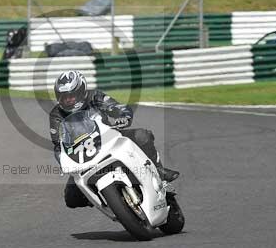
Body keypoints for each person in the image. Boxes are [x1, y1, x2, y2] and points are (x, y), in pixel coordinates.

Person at [49, 70, 180, 209]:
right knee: (71, 200)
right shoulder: (56, 114)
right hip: (83, 157)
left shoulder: (95, 96)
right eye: (63, 97)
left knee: (142, 136)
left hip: (108, 139)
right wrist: (65, 162)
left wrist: (122, 115)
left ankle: (159, 171)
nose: (67, 100)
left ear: (81, 92)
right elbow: (58, 144)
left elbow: (115, 106)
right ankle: (98, 195)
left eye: (71, 96)